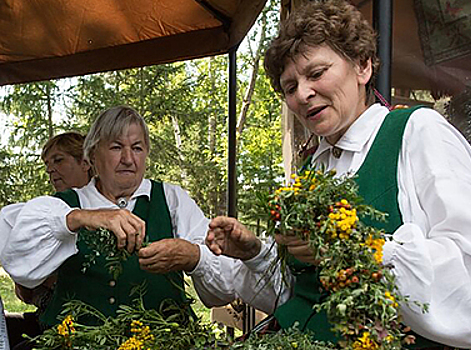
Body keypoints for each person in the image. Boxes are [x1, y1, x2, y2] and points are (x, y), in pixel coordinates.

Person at [205, 0, 471, 349]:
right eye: (290, 87)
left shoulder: (417, 133)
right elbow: (306, 294)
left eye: (317, 74)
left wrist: (359, 249)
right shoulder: (311, 171)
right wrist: (256, 252)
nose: (303, 94)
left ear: (362, 66)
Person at [0, 106, 284, 330]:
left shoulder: (171, 200)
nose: (128, 158)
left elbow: (224, 285)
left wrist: (194, 256)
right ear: (92, 155)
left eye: (137, 148)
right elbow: (14, 249)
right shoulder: (65, 205)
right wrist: (80, 218)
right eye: (115, 147)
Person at [5, 132, 92, 350]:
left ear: (85, 162)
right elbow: (24, 293)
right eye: (47, 164)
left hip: (85, 326)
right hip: (49, 317)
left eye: (58, 160)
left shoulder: (104, 212)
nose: (50, 169)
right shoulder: (43, 216)